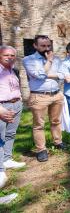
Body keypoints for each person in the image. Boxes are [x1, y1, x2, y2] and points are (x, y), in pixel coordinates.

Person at [23, 35, 65, 162]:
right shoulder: (28, 60)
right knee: (39, 125)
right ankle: (41, 149)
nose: (47, 48)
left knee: (56, 121)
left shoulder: (57, 59)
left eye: (48, 45)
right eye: (43, 46)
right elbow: (40, 75)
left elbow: (62, 75)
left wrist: (49, 74)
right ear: (35, 46)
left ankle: (58, 142)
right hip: (39, 95)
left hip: (56, 94)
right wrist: (50, 62)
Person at [0, 45, 25, 174]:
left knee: (11, 133)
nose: (9, 58)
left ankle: (7, 159)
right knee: (0, 135)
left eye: (12, 55)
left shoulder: (14, 70)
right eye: (6, 55)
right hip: (2, 106)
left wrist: (20, 99)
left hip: (16, 104)